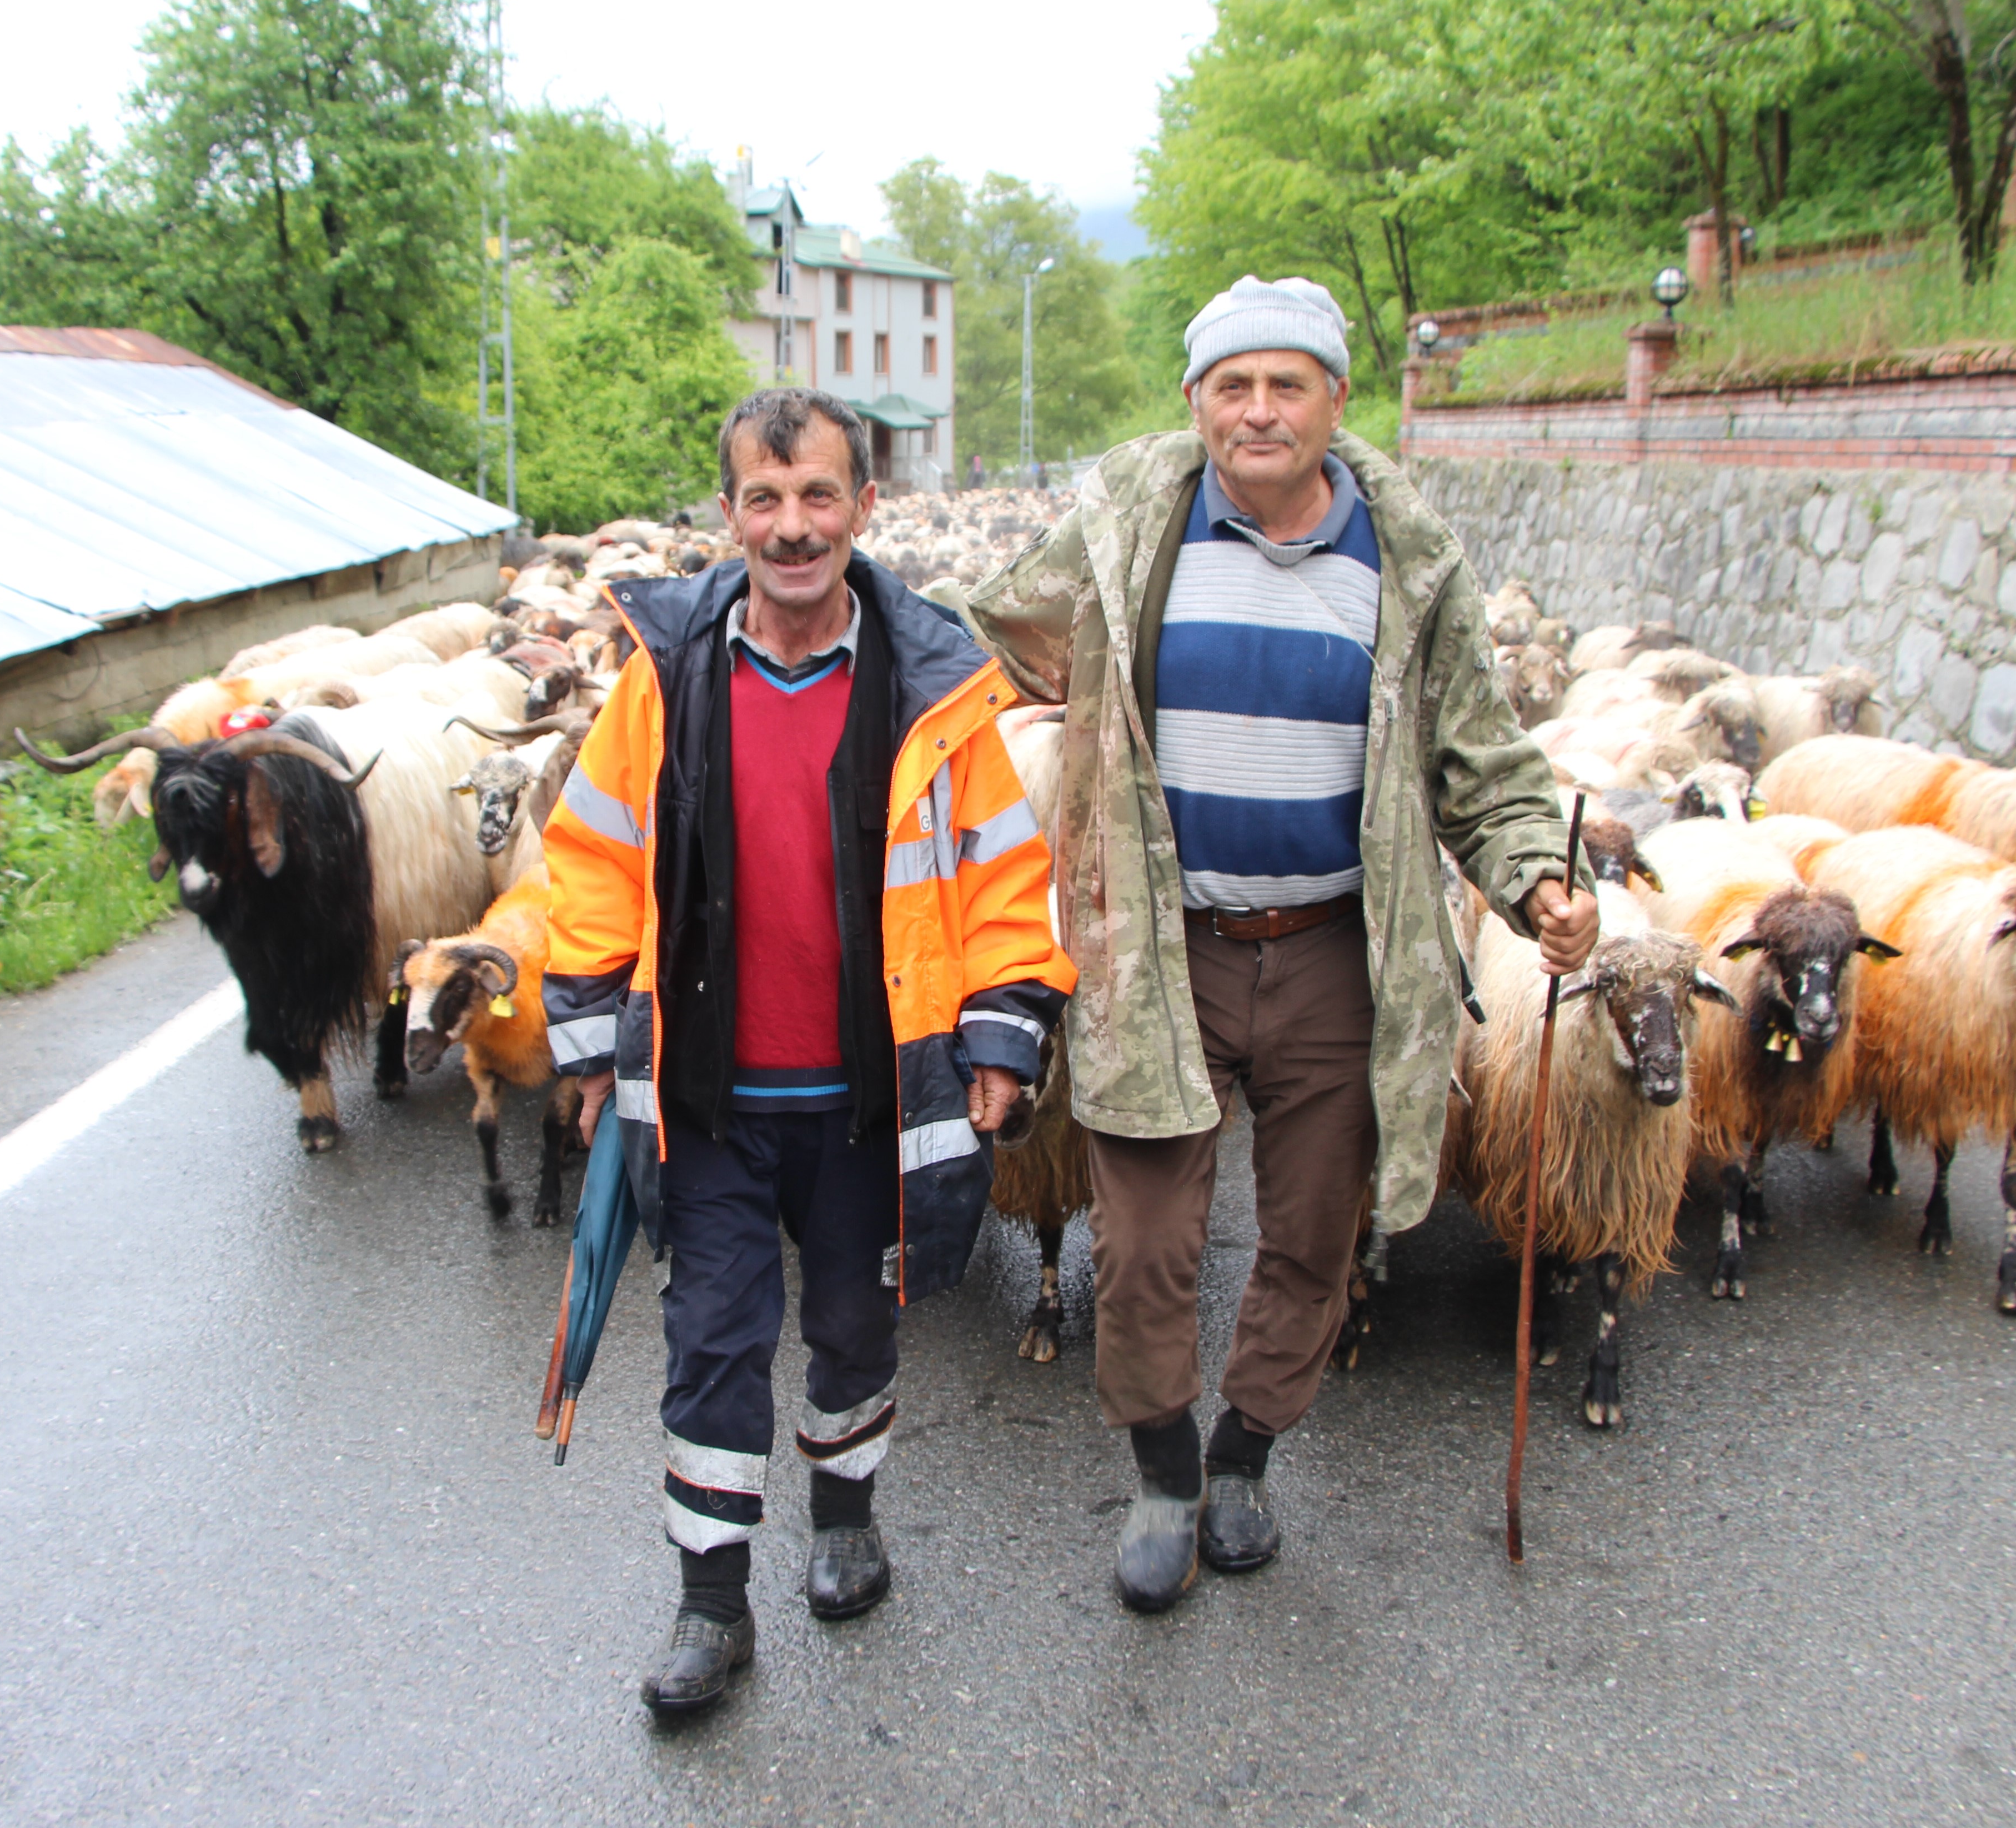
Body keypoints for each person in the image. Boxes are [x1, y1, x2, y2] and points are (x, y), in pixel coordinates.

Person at [959, 276, 1598, 1612]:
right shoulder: (1131, 531)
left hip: (1335, 955)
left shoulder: (1409, 565)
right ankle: (1163, 1473)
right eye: (1232, 385)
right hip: (1162, 946)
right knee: (1143, 1243)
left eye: (1286, 384)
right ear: (1195, 401)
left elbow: (1482, 760)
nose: (1258, 410)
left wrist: (1539, 878)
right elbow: (998, 640)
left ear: (1336, 401)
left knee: (1314, 1235)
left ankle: (1245, 1452)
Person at [543, 387, 1075, 1715]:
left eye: (819, 496)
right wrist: (592, 1039)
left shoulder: (936, 693)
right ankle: (711, 1605)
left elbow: (1002, 879)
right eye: (766, 500)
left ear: (864, 508)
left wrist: (1002, 1031)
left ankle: (846, 1521)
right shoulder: (666, 680)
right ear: (730, 513)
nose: (793, 527)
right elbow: (596, 856)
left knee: (852, 1323)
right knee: (712, 1340)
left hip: (867, 1097)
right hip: (711, 1097)